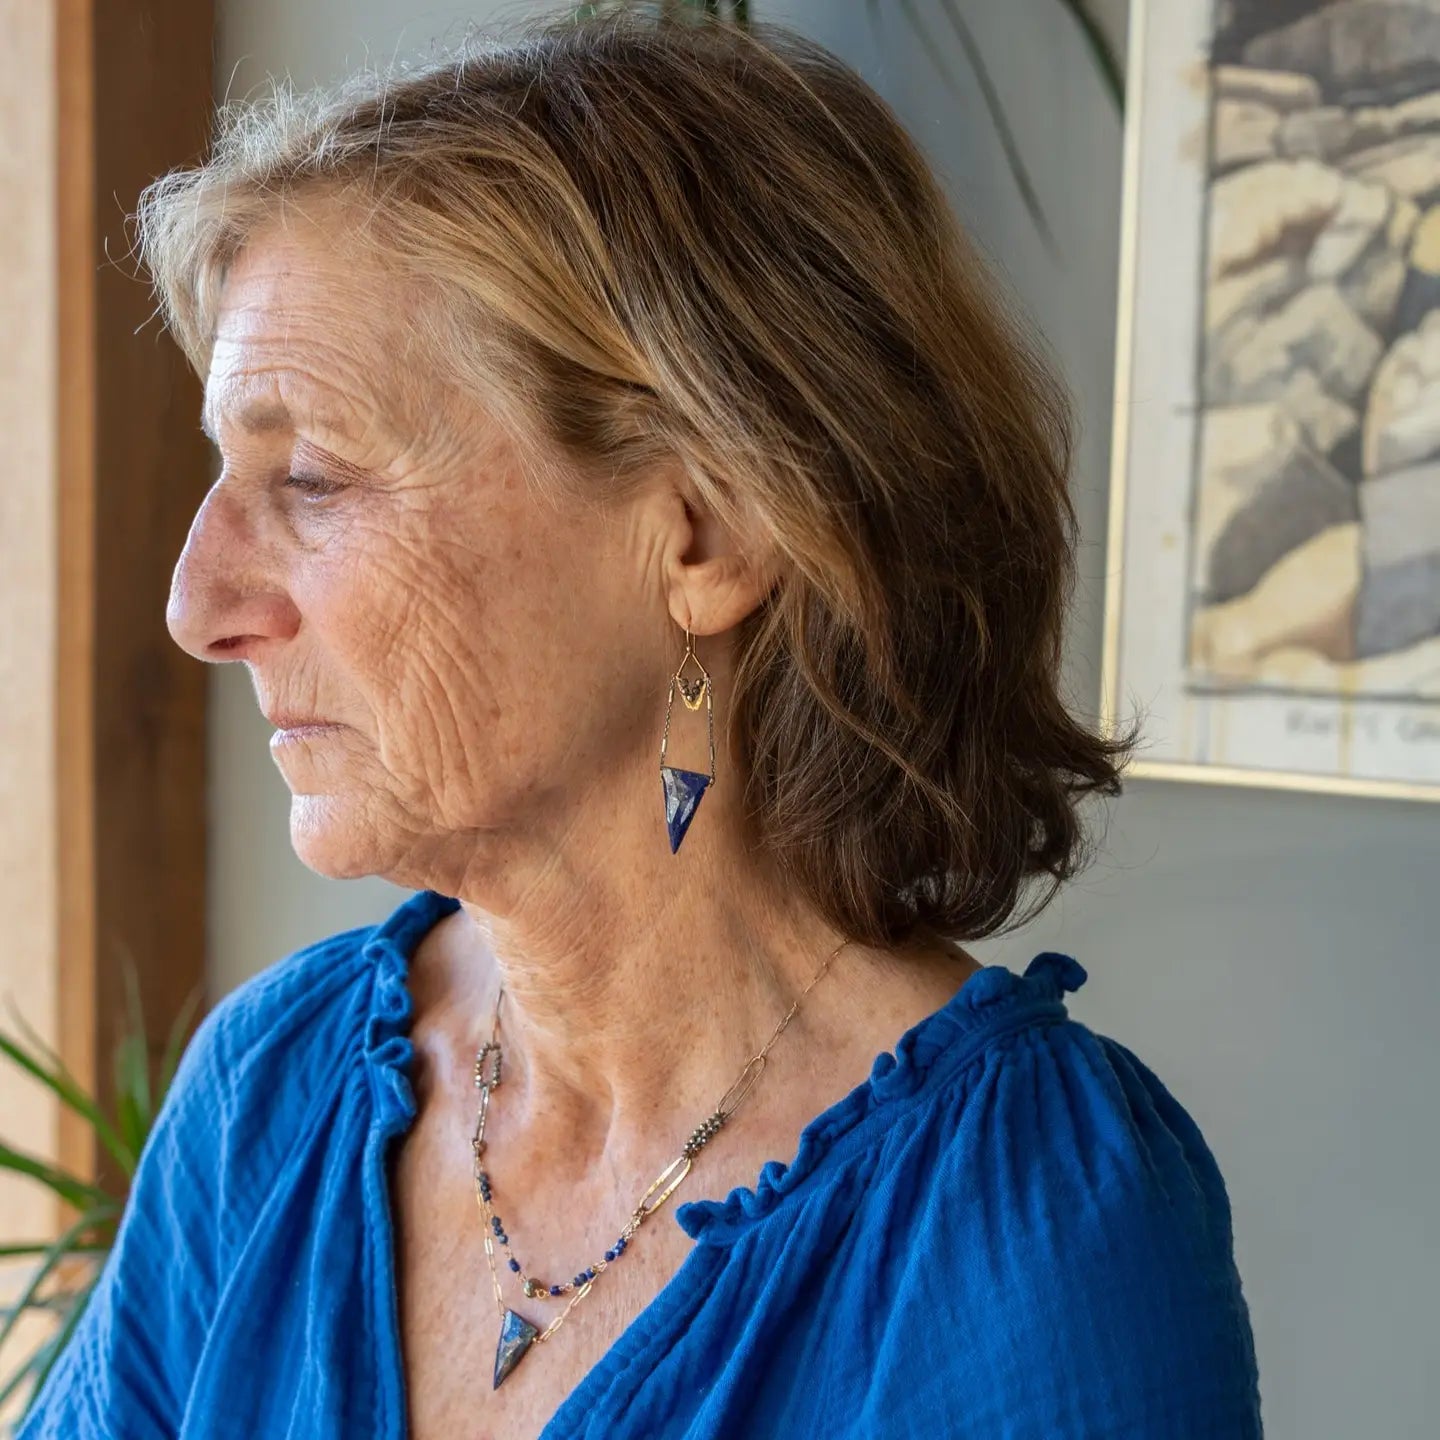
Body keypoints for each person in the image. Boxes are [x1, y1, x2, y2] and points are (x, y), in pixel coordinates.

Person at [19, 8, 1262, 1438]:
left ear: (704, 536)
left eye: (311, 478)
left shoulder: (1016, 1230)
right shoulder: (271, 1100)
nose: (199, 602)